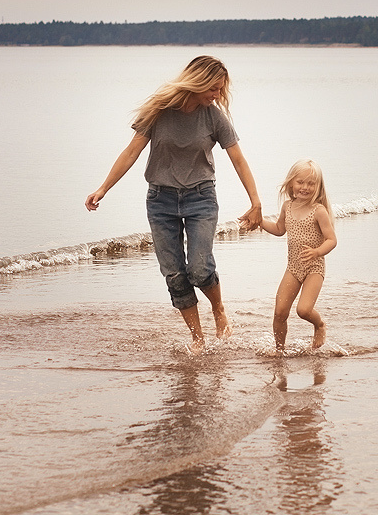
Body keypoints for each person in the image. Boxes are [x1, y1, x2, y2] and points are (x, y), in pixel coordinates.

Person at [85, 56, 263, 354]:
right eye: (213, 88)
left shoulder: (213, 117)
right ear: (198, 82)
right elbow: (131, 152)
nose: (217, 95)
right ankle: (197, 338)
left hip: (201, 198)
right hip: (161, 201)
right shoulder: (159, 110)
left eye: (220, 89)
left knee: (200, 268)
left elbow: (238, 159)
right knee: (175, 275)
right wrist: (103, 188)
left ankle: (218, 309)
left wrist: (255, 201)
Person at [259, 159, 337, 354]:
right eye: (300, 182)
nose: (305, 187)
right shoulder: (288, 206)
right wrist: (259, 221)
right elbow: (279, 229)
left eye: (311, 184)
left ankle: (319, 325)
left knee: (303, 310)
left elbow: (331, 239)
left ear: (318, 187)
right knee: (279, 312)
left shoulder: (319, 211)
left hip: (314, 268)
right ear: (291, 183)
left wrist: (317, 251)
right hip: (293, 268)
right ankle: (279, 351)